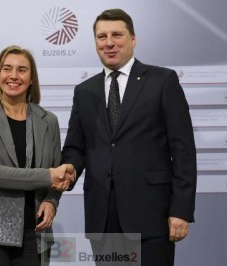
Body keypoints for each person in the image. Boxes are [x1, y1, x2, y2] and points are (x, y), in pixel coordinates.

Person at [61, 9, 197, 266]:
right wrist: (69, 167)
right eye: (102, 37)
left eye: (116, 35)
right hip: (103, 216)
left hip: (152, 215)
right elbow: (76, 148)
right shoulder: (84, 91)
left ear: (133, 39)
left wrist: (181, 210)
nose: (109, 42)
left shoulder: (162, 81)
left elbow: (183, 151)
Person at [0, 45, 71, 266]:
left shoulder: (48, 121)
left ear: (31, 79)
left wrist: (51, 201)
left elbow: (57, 173)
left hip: (36, 235)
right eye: (7, 69)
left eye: (22, 70)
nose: (13, 76)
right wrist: (48, 175)